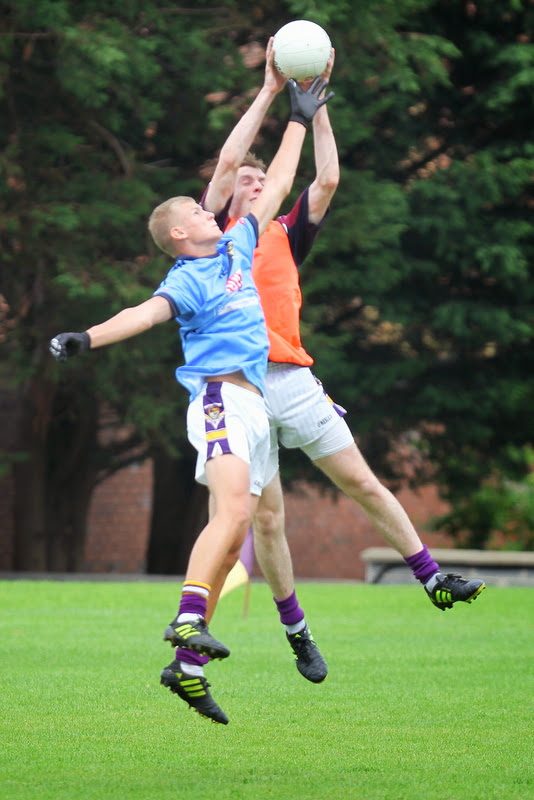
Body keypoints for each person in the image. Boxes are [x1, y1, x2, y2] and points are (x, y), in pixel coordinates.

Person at [194, 39, 486, 683]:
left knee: (361, 480)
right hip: (238, 390)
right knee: (267, 520)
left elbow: (326, 179)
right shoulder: (214, 237)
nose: (253, 178)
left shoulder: (285, 234)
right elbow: (226, 158)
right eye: (247, 177)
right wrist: (270, 93)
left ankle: (431, 578)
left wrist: (316, 103)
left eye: (260, 176)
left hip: (292, 378)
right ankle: (297, 632)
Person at [49, 76, 334, 726]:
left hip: (256, 409)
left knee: (242, 527)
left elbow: (283, 181)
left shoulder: (238, 243)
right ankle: (185, 624)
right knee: (232, 513)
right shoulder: (188, 275)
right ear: (180, 233)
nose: (216, 210)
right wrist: (84, 337)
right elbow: (142, 314)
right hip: (220, 400)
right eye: (201, 212)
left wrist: (298, 116)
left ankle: (187, 667)